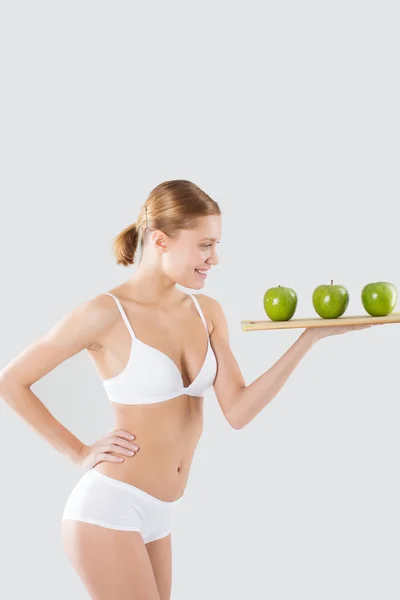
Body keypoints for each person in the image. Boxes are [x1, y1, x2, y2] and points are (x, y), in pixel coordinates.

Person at [0, 179, 380, 600]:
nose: (215, 258)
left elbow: (238, 411)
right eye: (205, 245)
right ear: (160, 240)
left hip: (160, 514)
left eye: (216, 246)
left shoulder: (207, 311)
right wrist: (78, 451)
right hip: (108, 509)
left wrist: (310, 338)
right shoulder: (104, 314)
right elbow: (11, 381)